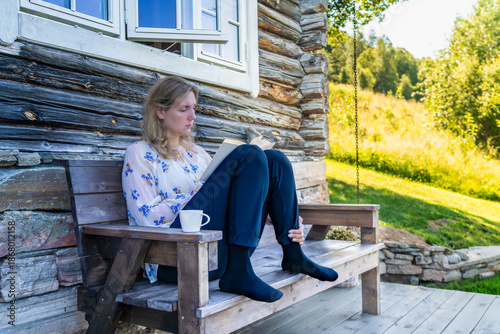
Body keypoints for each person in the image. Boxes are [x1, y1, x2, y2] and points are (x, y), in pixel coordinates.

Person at [122, 76, 338, 303]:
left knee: (275, 159)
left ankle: (293, 254)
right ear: (160, 112)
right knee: (249, 154)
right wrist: (193, 198)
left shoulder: (197, 154)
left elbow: (235, 206)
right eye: (184, 109)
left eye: (194, 108)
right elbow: (146, 217)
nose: (193, 116)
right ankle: (239, 273)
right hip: (174, 259)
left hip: (220, 253)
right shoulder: (139, 153)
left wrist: (282, 217)